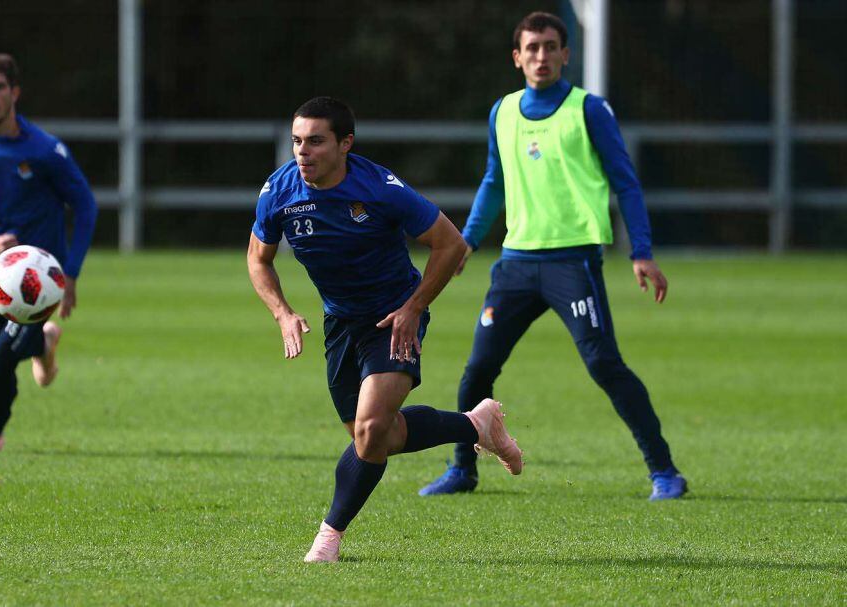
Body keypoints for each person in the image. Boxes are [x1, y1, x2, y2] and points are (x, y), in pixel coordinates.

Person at [418, 12, 687, 500]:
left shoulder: (590, 110)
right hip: (516, 265)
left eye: (550, 47)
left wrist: (641, 252)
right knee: (478, 370)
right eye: (532, 48)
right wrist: (468, 242)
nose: (541, 56)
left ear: (566, 54)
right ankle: (463, 468)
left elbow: (625, 181)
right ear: (517, 57)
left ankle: (664, 472)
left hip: (573, 264)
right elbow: (493, 182)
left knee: (605, 365)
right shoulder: (502, 111)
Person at [247, 97, 524, 563]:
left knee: (372, 431)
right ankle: (476, 424)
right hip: (340, 323)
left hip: (393, 318)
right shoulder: (279, 191)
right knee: (376, 437)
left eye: (315, 141)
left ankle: (327, 539)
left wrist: (415, 307)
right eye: (297, 141)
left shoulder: (379, 189)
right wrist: (283, 312)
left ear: (345, 144)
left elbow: (450, 244)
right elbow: (258, 258)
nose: (302, 152)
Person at [0, 53, 97, 455]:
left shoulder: (44, 149)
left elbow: (85, 205)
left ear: (14, 92)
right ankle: (43, 345)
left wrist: (70, 273)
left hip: (39, 280)